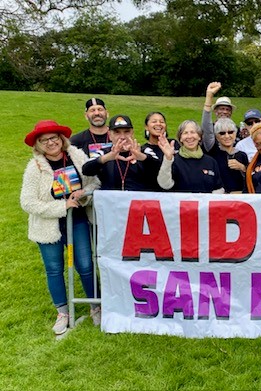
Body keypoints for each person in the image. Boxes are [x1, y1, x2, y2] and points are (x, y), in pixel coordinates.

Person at [20, 120, 101, 335]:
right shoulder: (35, 167)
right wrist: (61, 206)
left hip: (78, 220)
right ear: (38, 145)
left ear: (61, 139)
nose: (50, 143)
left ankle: (96, 306)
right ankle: (63, 312)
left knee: (85, 264)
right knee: (54, 269)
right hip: (49, 226)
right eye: (44, 140)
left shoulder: (76, 155)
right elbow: (27, 202)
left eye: (54, 138)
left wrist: (84, 194)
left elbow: (94, 182)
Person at [83, 115, 161, 191]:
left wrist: (142, 157)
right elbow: (86, 170)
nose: (122, 137)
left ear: (132, 133)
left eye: (126, 132)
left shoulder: (145, 150)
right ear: (110, 135)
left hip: (139, 201)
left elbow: (160, 169)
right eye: (117, 132)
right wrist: (107, 157)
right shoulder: (102, 152)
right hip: (111, 201)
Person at [157, 120, 224, 193]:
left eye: (193, 132)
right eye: (185, 133)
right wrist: (168, 158)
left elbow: (219, 188)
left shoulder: (211, 161)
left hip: (203, 204)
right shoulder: (173, 161)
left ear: (199, 137)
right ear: (180, 139)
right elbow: (165, 185)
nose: (189, 136)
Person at [207, 117, 248, 194]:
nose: (227, 136)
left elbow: (250, 178)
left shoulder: (242, 155)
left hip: (239, 198)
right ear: (217, 137)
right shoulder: (212, 153)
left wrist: (242, 168)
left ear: (235, 134)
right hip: (219, 198)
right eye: (222, 133)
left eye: (230, 132)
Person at [141, 112, 178, 191]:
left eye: (162, 122)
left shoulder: (174, 144)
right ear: (146, 127)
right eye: (154, 121)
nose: (158, 124)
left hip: (177, 192)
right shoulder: (143, 150)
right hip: (154, 193)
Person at [201, 81, 237, 152]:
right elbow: (206, 124)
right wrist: (209, 96)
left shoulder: (236, 129)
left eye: (228, 109)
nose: (225, 112)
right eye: (222, 109)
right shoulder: (210, 127)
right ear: (215, 111)